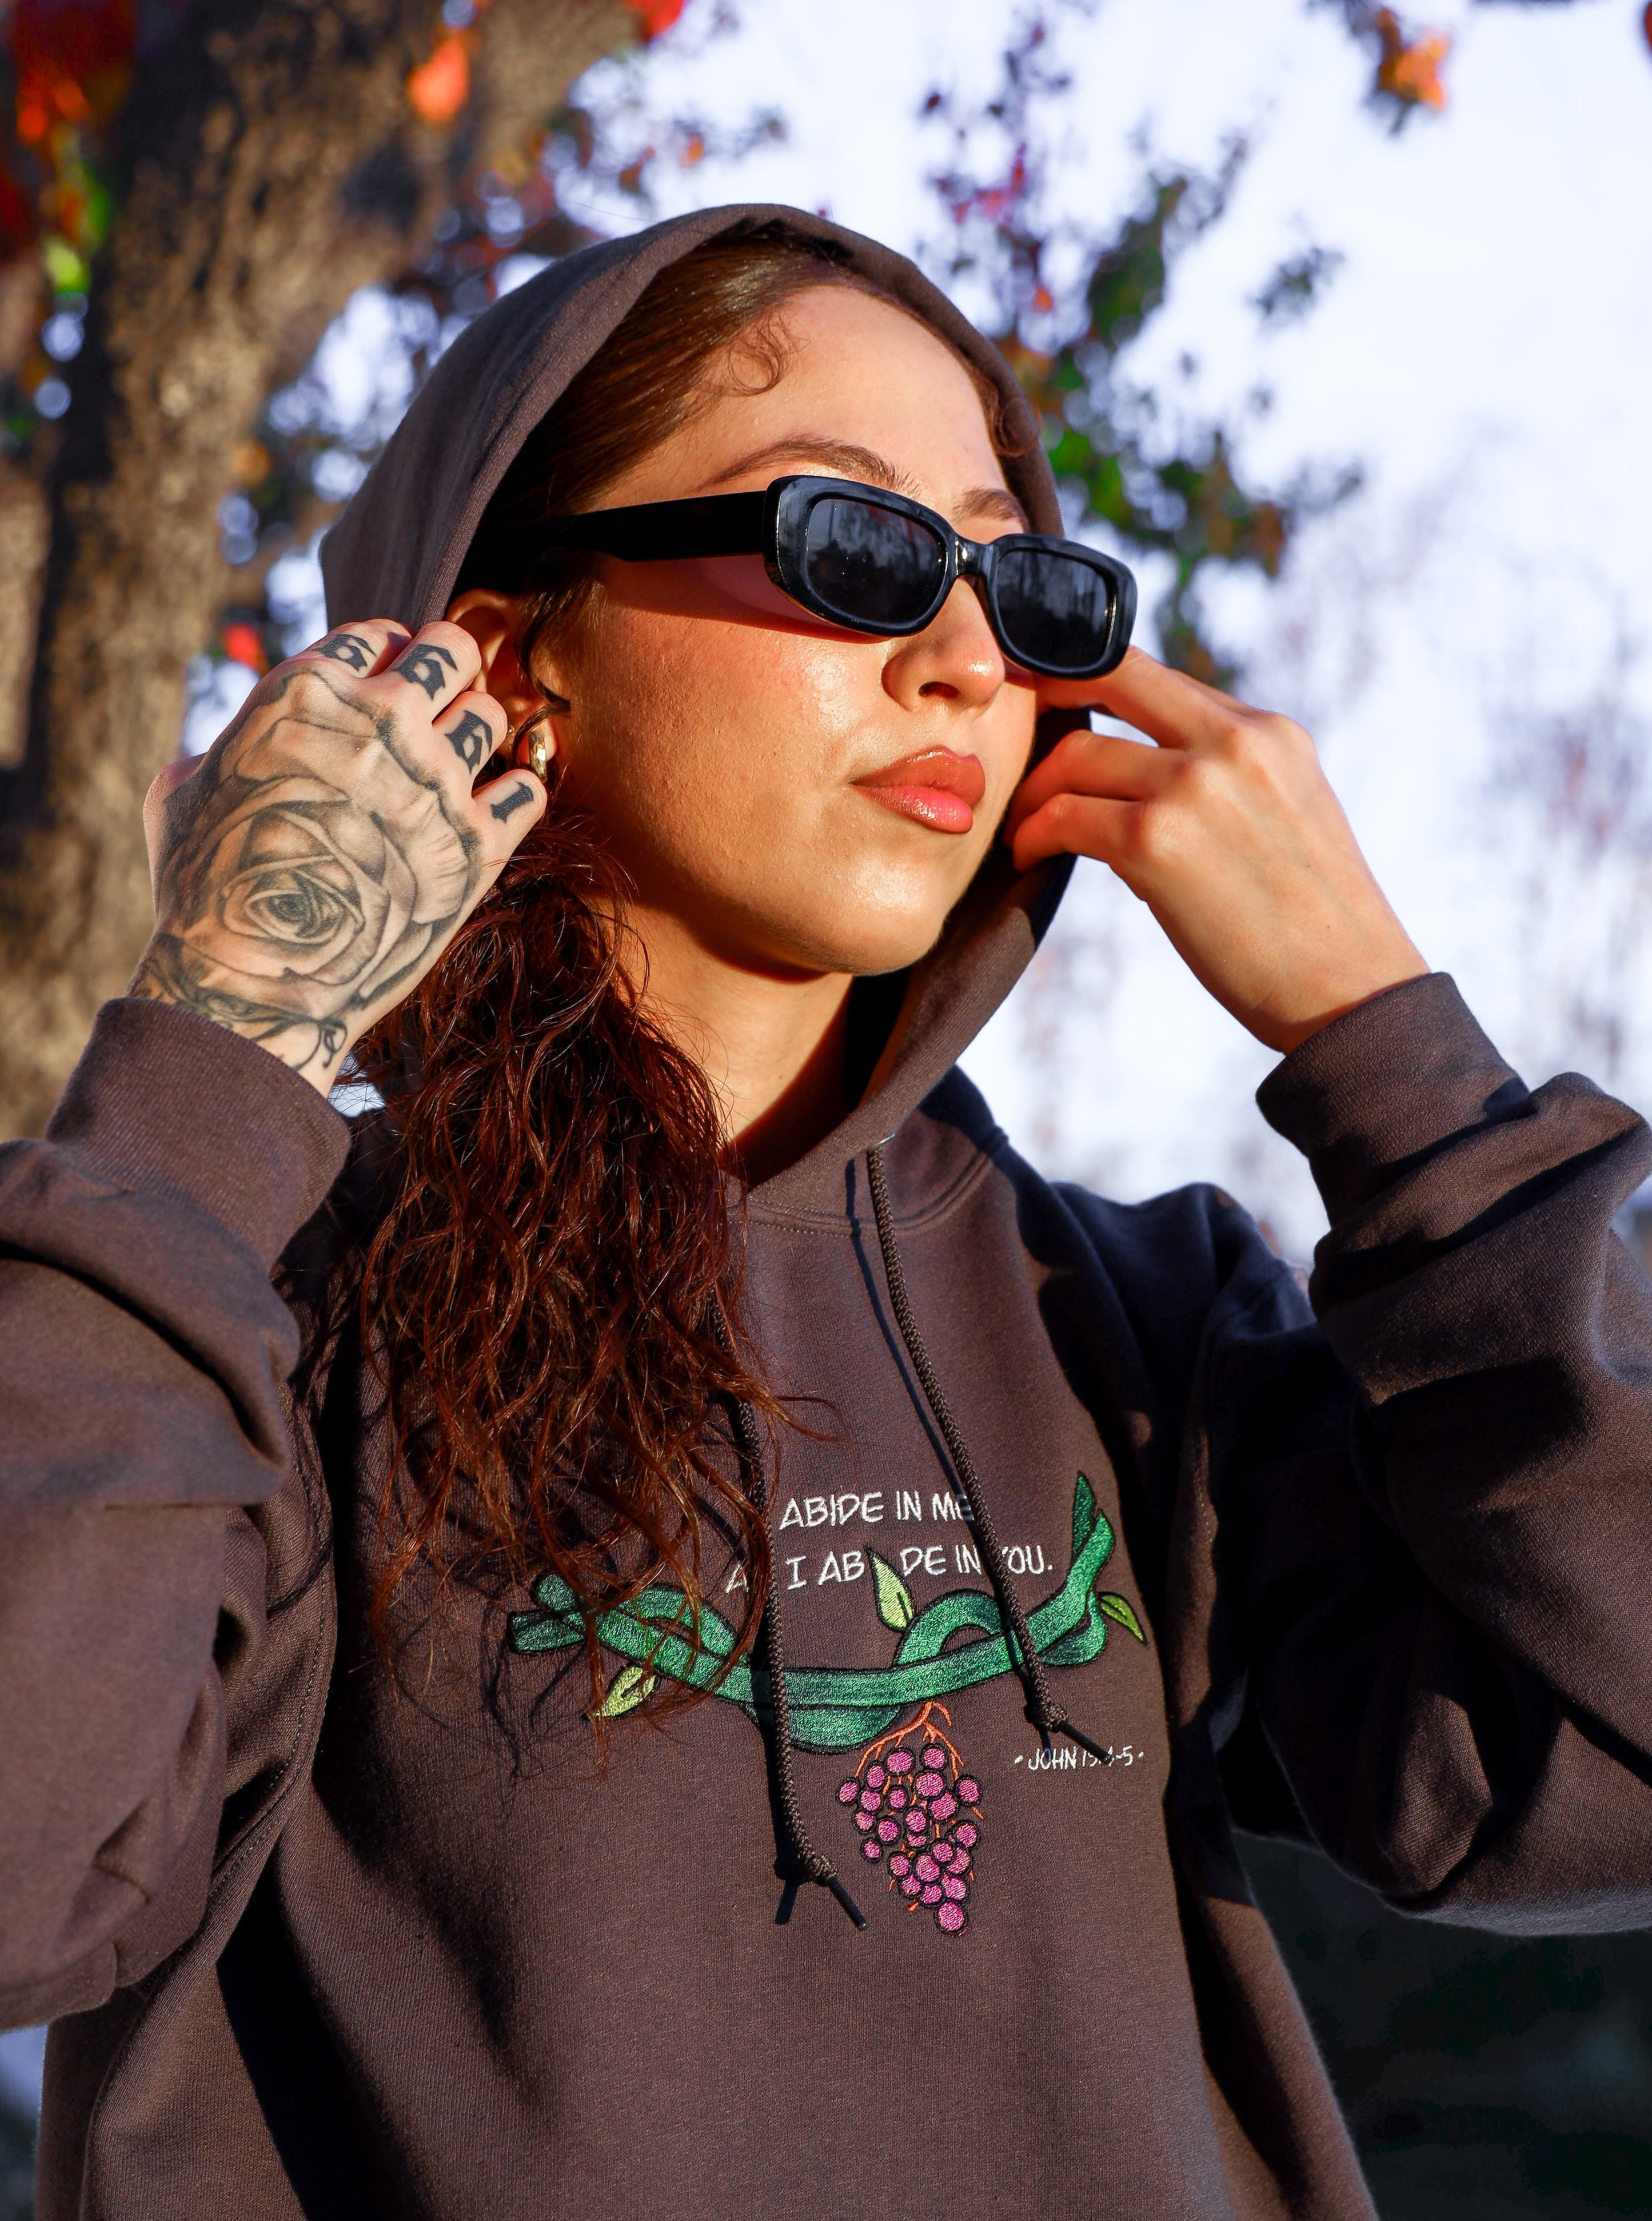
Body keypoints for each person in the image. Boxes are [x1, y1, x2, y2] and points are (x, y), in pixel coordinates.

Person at [3, 205, 1651, 2221]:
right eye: (851, 544)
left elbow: (1613, 1769)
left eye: (1021, 586)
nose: (965, 660)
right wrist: (223, 1040)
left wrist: (1390, 1054)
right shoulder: (216, 1289)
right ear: (501, 656)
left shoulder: (1129, 1320)